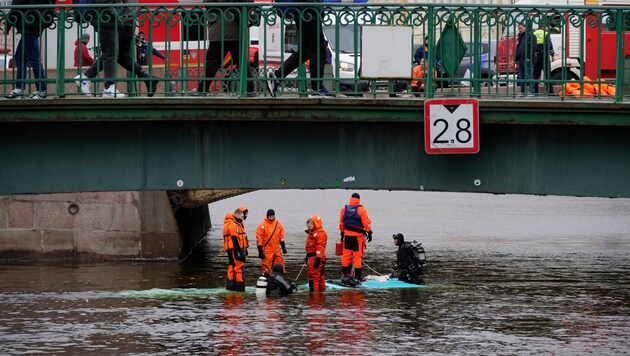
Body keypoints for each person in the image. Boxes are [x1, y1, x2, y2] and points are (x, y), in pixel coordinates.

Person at [74, 0, 159, 98]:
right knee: (113, 53)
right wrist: (119, 17)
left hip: (120, 20)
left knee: (116, 54)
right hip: (117, 20)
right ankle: (101, 84)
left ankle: (88, 78)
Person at [189, 0, 255, 96]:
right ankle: (250, 89)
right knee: (242, 61)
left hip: (220, 31)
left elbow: (208, 4)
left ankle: (202, 89)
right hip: (237, 31)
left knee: (212, 62)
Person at [266, 0, 330, 97]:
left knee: (305, 52)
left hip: (306, 14)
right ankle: (317, 88)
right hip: (309, 14)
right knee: (318, 53)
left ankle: (277, 76)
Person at [4, 0, 54, 100]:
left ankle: (41, 90)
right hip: (33, 25)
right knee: (20, 58)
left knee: (34, 60)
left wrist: (7, 25)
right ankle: (20, 88)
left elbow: (15, 8)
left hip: (28, 26)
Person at [339, 192, 373, 282]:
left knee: (346, 255)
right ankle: (358, 276)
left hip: (347, 235)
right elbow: (366, 223)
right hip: (358, 237)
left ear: (350, 199)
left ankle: (344, 274)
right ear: (359, 200)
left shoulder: (344, 209)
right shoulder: (362, 210)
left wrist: (342, 233)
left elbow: (341, 223)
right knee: (357, 256)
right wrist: (369, 232)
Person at [223, 208, 248, 291]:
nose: (243, 218)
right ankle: (240, 288)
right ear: (236, 215)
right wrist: (240, 252)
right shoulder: (233, 225)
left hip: (231, 250)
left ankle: (230, 287)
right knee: (239, 268)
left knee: (232, 267)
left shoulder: (227, 224)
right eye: (241, 216)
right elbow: (235, 239)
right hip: (235, 249)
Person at [256, 209, 287, 274]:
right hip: (267, 249)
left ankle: (279, 279)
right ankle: (267, 280)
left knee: (280, 265)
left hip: (276, 249)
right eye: (270, 216)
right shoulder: (262, 225)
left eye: (272, 216)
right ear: (267, 216)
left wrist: (283, 248)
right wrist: (260, 252)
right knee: (266, 266)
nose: (271, 218)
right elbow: (259, 239)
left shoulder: (278, 224)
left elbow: (281, 237)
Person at [305, 215, 327, 292]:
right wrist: (307, 256)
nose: (308, 228)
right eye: (308, 226)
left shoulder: (320, 234)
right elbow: (311, 247)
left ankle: (315, 295)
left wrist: (317, 259)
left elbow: (320, 247)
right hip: (312, 257)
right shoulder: (313, 233)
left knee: (315, 278)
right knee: (316, 277)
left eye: (310, 226)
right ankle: (320, 293)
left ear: (315, 225)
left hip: (316, 258)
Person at [514, 23, 536, 96]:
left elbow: (533, 47)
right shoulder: (521, 36)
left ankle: (532, 91)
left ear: (525, 27)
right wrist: (516, 58)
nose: (519, 30)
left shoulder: (530, 35)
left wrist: (529, 57)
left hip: (527, 59)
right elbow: (519, 48)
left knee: (529, 75)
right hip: (521, 59)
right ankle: (523, 91)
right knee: (522, 76)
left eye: (521, 28)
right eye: (518, 28)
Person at [533, 24, 555, 95]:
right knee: (547, 74)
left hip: (535, 55)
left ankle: (535, 91)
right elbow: (549, 45)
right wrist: (552, 54)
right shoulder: (546, 33)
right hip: (544, 55)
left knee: (535, 75)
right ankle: (550, 92)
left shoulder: (534, 33)